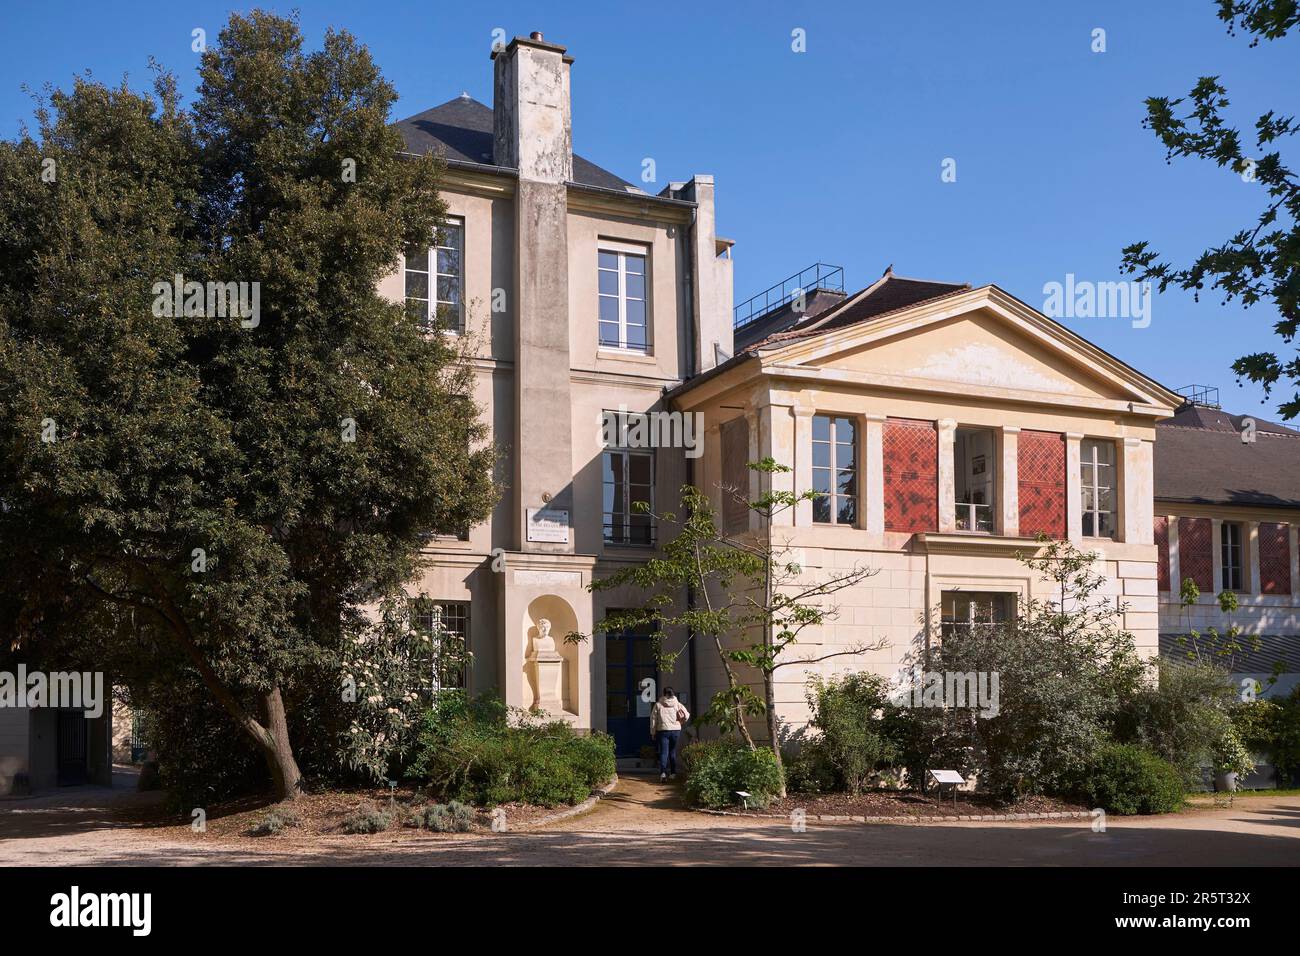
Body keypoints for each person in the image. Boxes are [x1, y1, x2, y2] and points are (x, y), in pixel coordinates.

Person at [650, 687, 690, 782]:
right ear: (673, 693)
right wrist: (681, 722)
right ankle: (673, 773)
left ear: (664, 694)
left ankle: (663, 774)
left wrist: (653, 732)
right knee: (672, 752)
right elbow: (687, 715)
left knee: (664, 752)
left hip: (663, 731)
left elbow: (653, 720)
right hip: (676, 730)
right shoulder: (677, 704)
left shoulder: (658, 705)